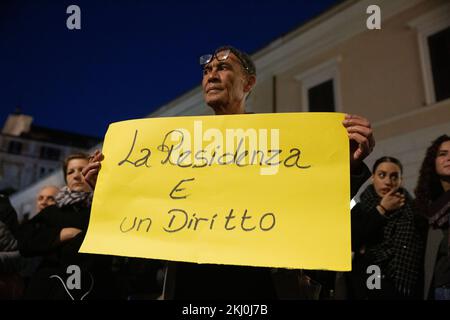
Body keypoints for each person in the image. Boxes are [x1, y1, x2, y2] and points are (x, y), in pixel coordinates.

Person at [83, 45, 376, 299]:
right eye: (207, 69)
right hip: (190, 284)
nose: (211, 74)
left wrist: (347, 167)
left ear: (248, 83)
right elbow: (152, 206)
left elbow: (310, 202)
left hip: (261, 285)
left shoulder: (279, 144)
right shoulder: (177, 149)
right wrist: (110, 188)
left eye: (223, 67)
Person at [16, 153, 118, 299]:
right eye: (70, 171)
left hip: (95, 289)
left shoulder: (105, 209)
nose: (76, 176)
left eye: (82, 169)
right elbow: (23, 241)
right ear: (66, 179)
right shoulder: (52, 211)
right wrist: (64, 234)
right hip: (48, 290)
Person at [348, 156, 424, 299]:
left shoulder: (413, 210)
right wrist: (381, 209)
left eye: (394, 176)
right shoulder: (360, 209)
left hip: (403, 290)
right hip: (366, 288)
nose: (388, 182)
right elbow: (352, 240)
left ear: (400, 180)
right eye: (382, 175)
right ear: (373, 178)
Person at [415, 135, 450, 300]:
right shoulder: (426, 207)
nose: (449, 158)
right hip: (439, 288)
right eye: (443, 154)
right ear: (433, 162)